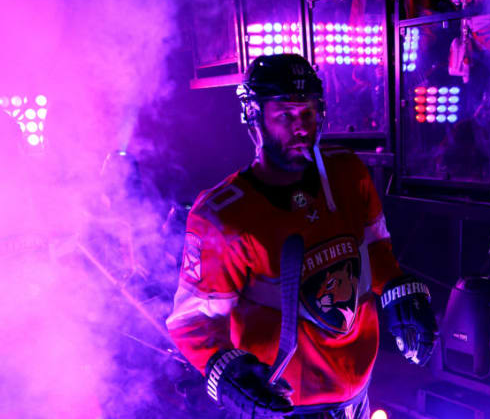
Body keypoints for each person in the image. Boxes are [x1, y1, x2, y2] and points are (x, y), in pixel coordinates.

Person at [165, 54, 439, 418]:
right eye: (285, 116)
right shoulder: (221, 215)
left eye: (308, 114)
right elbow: (192, 320)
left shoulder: (348, 173)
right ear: (254, 117)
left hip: (358, 391)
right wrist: (227, 370)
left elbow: (376, 252)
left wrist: (400, 289)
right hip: (288, 406)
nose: (301, 128)